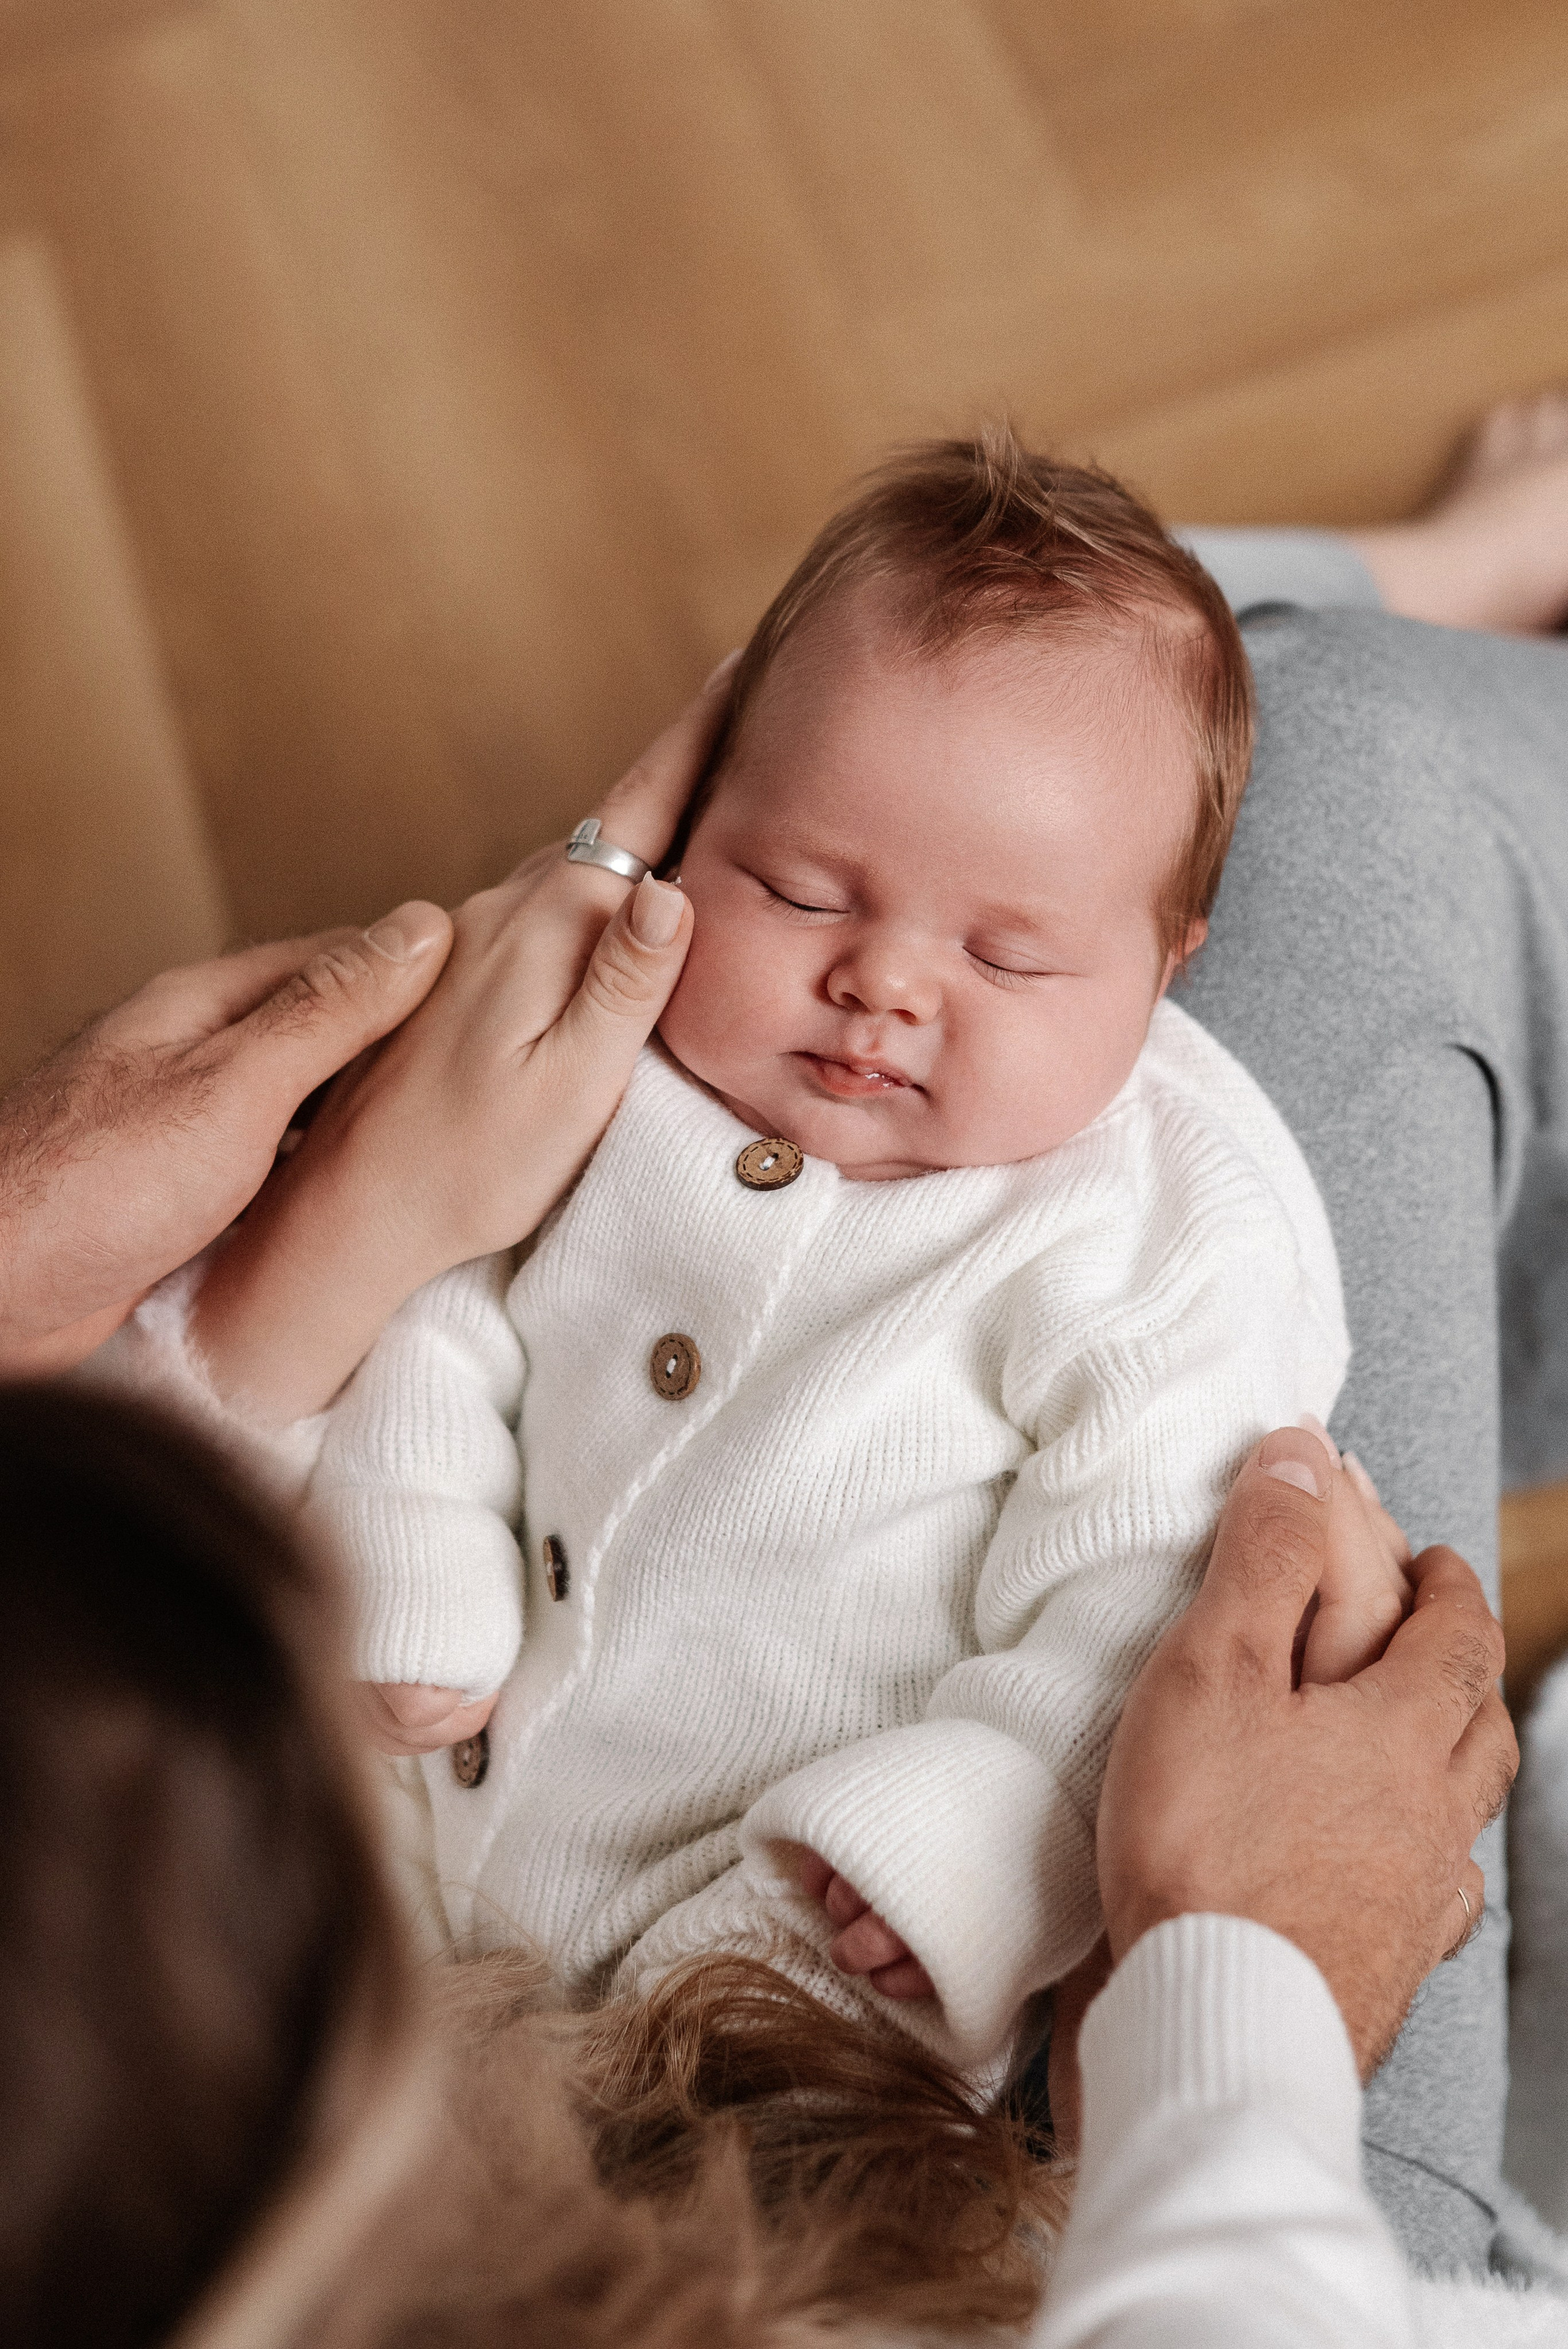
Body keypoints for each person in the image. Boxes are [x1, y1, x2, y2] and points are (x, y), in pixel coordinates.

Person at [20, 391, 1568, 2272]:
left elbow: (1136, 1624)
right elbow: (452, 1322)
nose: (883, 986)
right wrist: (405, 1550)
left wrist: (964, 1850)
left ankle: (1390, 598)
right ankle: (1394, 611)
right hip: (467, 1962)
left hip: (811, 1973)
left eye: (1010, 956)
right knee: (1351, 757)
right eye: (798, 888)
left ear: (1174, 967)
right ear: (697, 848)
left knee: (1221, 723)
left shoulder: (1164, 1232)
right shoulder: (625, 1085)